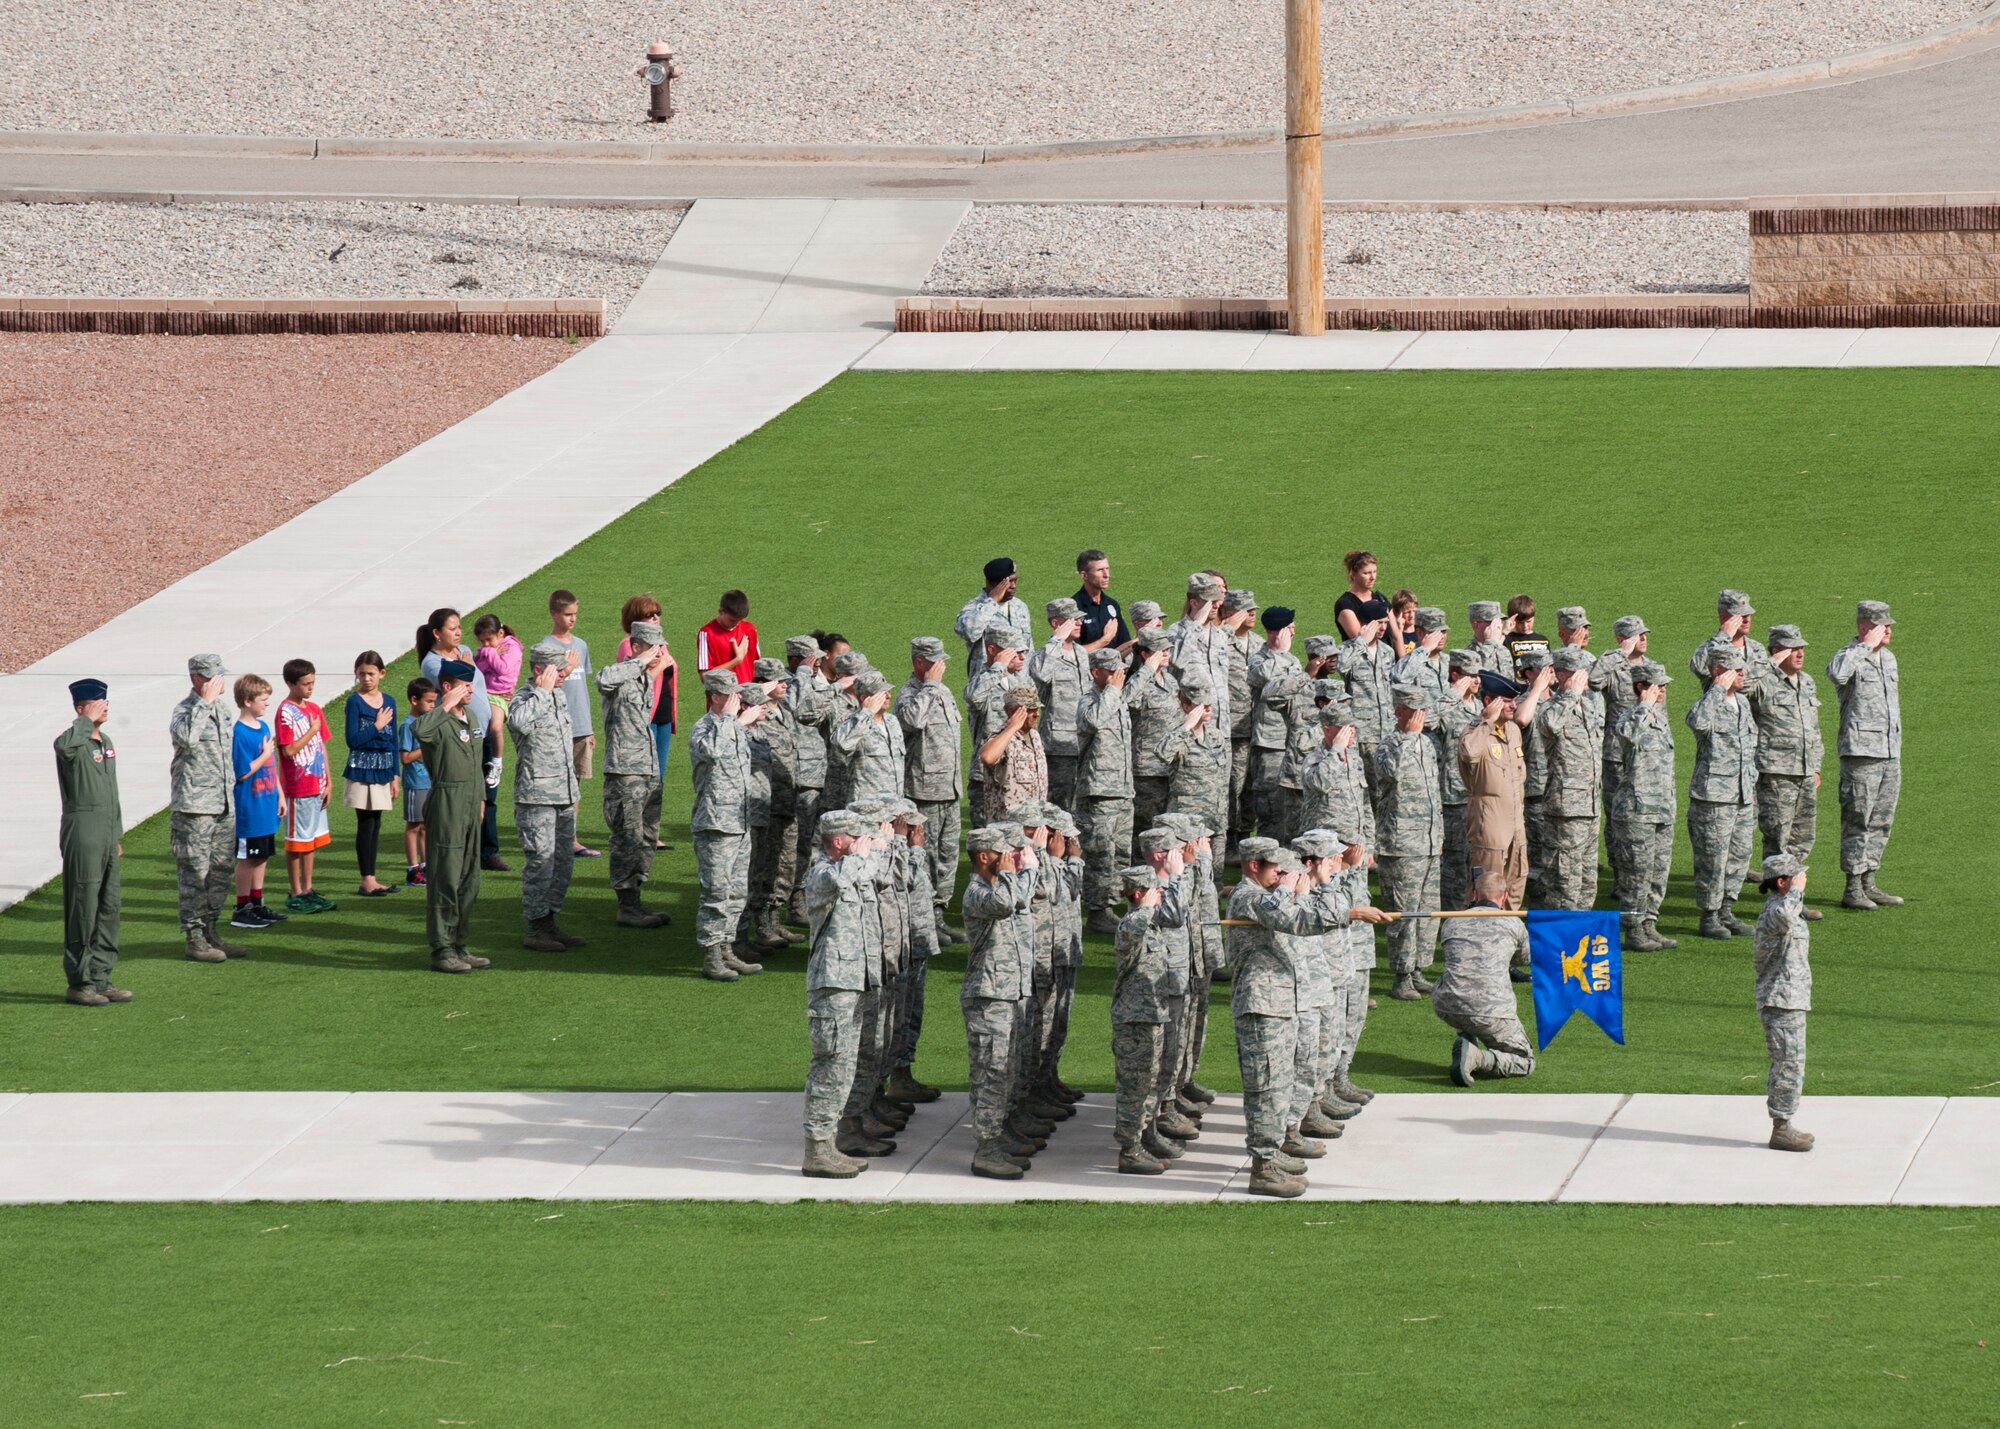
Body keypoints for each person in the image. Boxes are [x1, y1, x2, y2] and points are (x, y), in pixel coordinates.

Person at [1228, 842, 1386, 1199]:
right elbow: (1288, 917)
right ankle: (1262, 1166)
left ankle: (1274, 1150)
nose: (1285, 876)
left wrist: (1325, 884)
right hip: (1262, 1004)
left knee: (1282, 1082)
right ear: (1254, 866)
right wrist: (1290, 889)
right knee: (1266, 1086)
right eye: (1278, 870)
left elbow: (1322, 918)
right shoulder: (1247, 897)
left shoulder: (1273, 894)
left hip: (1284, 1000)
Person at [800, 810, 879, 1178]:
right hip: (831, 984)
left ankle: (829, 1143)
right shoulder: (822, 873)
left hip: (852, 979)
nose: (861, 842)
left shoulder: (849, 866)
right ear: (837, 841)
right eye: (854, 837)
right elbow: (842, 880)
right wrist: (861, 856)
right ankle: (816, 1150)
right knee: (829, 1065)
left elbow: (870, 874)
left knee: (844, 1067)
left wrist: (874, 850)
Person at [960, 823, 1039, 1180]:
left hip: (1006, 992)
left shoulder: (999, 886)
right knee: (990, 1073)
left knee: (1005, 1071)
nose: (1008, 858)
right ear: (983, 857)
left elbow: (1019, 899)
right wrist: (1010, 873)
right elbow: (1007, 905)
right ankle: (986, 1149)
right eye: (1001, 853)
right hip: (988, 996)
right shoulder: (978, 892)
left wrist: (1027, 868)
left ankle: (998, 1135)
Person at [689, 669, 768, 982]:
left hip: (739, 821)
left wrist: (739, 722)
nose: (737, 699)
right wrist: (730, 721)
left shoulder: (732, 726)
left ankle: (726, 949)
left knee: (736, 892)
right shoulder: (706, 728)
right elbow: (714, 752)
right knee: (716, 892)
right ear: (715, 696)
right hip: (716, 825)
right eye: (731, 694)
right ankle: (711, 956)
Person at [413, 659, 490, 974]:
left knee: (469, 877)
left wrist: (482, 799)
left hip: (472, 803)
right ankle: (442, 949)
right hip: (447, 801)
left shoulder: (470, 716)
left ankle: (460, 945)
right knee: (445, 876)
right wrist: (444, 706)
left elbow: (477, 761)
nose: (472, 690)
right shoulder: (437, 719)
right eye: (466, 685)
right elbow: (419, 729)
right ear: (448, 686)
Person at [1826, 600, 1903, 912]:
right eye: (1880, 625)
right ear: (1863, 627)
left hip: (1889, 751)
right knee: (1858, 818)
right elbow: (1836, 674)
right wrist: (1863, 647)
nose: (1887, 630)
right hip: (1860, 752)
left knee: (1882, 819)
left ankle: (1870, 879)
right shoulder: (1849, 657)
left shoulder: (1889, 659)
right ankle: (1853, 886)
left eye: (1888, 625)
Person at [56, 678, 129, 1005]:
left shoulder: (106, 741)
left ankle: (101, 977)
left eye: (106, 702)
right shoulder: (73, 740)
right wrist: (85, 722)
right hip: (83, 828)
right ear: (80, 708)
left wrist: (116, 834)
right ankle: (80, 981)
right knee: (83, 906)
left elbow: (113, 794)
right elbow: (64, 747)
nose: (105, 707)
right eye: (97, 703)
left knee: (108, 906)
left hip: (106, 831)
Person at [1110, 863, 1186, 1175]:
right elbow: (1134, 928)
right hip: (1134, 1020)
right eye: (1155, 890)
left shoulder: (1151, 925)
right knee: (1134, 1086)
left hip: (1152, 1016)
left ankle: (1144, 1135)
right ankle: (1129, 1150)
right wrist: (1146, 906)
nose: (1161, 895)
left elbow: (1174, 917)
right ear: (1140, 893)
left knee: (1152, 1082)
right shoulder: (1130, 923)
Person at [600, 619, 676, 930]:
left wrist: (651, 669)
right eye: (652, 646)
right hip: (624, 771)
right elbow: (603, 678)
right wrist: (641, 661)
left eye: (661, 646)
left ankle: (636, 895)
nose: (659, 652)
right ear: (635, 646)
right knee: (627, 838)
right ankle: (626, 904)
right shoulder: (620, 677)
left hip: (647, 769)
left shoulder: (644, 681)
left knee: (647, 836)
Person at [510, 640, 585, 953]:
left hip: (564, 793)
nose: (564, 674)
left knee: (562, 862)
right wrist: (541, 691)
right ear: (540, 670)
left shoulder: (557, 696)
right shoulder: (526, 699)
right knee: (540, 861)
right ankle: (536, 927)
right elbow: (518, 723)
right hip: (537, 796)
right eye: (558, 669)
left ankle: (551, 920)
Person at [417, 608, 504, 870]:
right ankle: (468, 850)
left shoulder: (464, 649)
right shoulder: (431, 662)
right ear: (436, 633)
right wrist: (467, 663)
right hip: (460, 734)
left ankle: (488, 851)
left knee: (488, 793)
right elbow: (455, 680)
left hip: (484, 731)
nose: (458, 633)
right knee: (466, 793)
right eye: (452, 628)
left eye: (459, 627)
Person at [168, 652, 241, 962]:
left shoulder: (223, 709)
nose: (221, 681)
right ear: (198, 679)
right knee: (195, 873)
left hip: (223, 803)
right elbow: (186, 739)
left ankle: (211, 930)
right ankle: (194, 937)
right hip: (195, 807)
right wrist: (203, 703)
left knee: (221, 871)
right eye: (213, 677)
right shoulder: (186, 710)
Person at [1748, 624, 1824, 920]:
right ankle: (1779, 903)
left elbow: (1813, 730)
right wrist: (1770, 663)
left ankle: (1795, 896)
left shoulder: (1807, 681)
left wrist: (1815, 766)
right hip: (1776, 773)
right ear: (1777, 652)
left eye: (1802, 648)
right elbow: (1742, 685)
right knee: (1778, 839)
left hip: (1804, 772)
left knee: (1802, 837)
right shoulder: (1764, 681)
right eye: (1793, 649)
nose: (1800, 653)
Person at [1459, 666, 1549, 912]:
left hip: (1515, 823)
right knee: (1487, 885)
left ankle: (1509, 934)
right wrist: (1486, 721)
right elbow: (1469, 754)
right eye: (1507, 701)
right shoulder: (1474, 731)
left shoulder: (1512, 730)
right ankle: (1480, 937)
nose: (1513, 706)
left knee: (1517, 879)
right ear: (1489, 701)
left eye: (1514, 701)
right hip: (1490, 822)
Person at [1374, 685, 1444, 1000]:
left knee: (1427, 911)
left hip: (1428, 841)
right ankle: (1401, 975)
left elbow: (1434, 792)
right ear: (1398, 712)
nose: (1420, 717)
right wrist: (1411, 737)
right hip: (1401, 843)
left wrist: (1438, 835)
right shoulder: (1389, 744)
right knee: (1403, 913)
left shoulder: (1427, 744)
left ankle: (1418, 969)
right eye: (1414, 712)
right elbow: (1396, 774)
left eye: (1423, 711)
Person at [1686, 645, 1759, 940]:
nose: (1743, 675)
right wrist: (1717, 690)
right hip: (1714, 796)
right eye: (1736, 670)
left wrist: (1751, 787)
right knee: (1713, 860)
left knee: (1739, 856)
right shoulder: (1710, 703)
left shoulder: (1743, 703)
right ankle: (1709, 915)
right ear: (1719, 672)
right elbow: (1697, 722)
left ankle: (1727, 909)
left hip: (1741, 795)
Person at [1439, 870, 1535, 1086]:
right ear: (1504, 896)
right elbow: (1525, 959)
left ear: (1475, 894)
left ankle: (1468, 1040)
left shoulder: (1452, 922)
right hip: (1491, 1010)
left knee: (1461, 980)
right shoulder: (1513, 923)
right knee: (1525, 1062)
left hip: (1447, 1003)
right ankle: (1479, 1058)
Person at [896, 636, 963, 947]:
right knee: (928, 858)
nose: (942, 667)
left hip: (948, 789)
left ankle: (938, 915)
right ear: (920, 663)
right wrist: (931, 686)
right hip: (924, 791)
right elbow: (912, 721)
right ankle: (923, 919)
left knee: (947, 858)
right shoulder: (911, 694)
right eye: (935, 662)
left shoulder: (942, 691)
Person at [1609, 661, 1678, 950]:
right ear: (1641, 687)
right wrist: (1644, 706)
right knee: (1636, 874)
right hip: (1636, 811)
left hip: (1662, 808)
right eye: (1656, 685)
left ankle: (1649, 924)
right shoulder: (1631, 716)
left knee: (1657, 873)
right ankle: (1633, 930)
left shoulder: (1660, 719)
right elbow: (1626, 734)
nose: (1662, 689)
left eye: (1663, 685)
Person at [1753, 853, 1816, 1152]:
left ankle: (1785, 1124)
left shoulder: (1784, 906)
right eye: (1795, 877)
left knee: (1792, 1064)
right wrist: (1796, 892)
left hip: (1791, 998)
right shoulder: (1777, 910)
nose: (1802, 880)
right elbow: (1787, 916)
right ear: (1781, 883)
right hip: (1781, 999)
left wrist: (1797, 895)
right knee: (1787, 1065)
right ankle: (1781, 1128)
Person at [1536, 645, 1605, 911]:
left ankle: (1581, 940)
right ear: (1562, 674)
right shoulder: (1552, 706)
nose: (1587, 678)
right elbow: (1549, 725)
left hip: (1589, 806)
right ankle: (1562, 946)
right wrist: (1570, 694)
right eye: (1580, 673)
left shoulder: (1589, 706)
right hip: (1566, 810)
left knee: (1588, 882)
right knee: (1564, 882)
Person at [1075, 647, 1135, 935]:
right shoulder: (1089, 700)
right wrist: (1112, 690)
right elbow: (1095, 721)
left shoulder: (1117, 698)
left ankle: (1115, 905)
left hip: (1123, 788)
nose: (1117, 676)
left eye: (1119, 670)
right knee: (1101, 853)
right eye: (1111, 671)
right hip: (1098, 790)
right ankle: (1098, 911)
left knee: (1121, 852)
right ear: (1095, 672)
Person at [744, 657, 801, 953]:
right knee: (762, 865)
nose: (785, 684)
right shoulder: (754, 715)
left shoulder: (784, 710)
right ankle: (760, 924)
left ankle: (775, 917)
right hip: (763, 806)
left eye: (785, 679)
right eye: (778, 681)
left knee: (784, 863)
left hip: (786, 801)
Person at [782, 635, 838, 926]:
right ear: (795, 660)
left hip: (818, 773)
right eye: (810, 659)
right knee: (795, 844)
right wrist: (803, 674)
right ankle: (792, 901)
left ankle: (801, 895)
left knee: (813, 842)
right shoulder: (785, 683)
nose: (818, 663)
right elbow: (796, 709)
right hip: (795, 776)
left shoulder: (817, 681)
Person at [1591, 614, 1651, 873]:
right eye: (1638, 635)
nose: (1644, 638)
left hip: (1646, 753)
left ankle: (1640, 867)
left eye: (1644, 633)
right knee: (1617, 812)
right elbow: (1594, 680)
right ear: (1623, 639)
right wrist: (1618, 654)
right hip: (1617, 753)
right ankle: (1619, 870)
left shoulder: (1652, 668)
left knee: (1644, 811)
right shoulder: (1613, 666)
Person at [275, 658, 335, 914]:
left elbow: (322, 747)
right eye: (305, 684)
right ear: (290, 683)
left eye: (312, 682)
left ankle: (308, 889)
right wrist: (311, 731)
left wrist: (329, 781)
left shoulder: (314, 708)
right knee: (296, 841)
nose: (310, 688)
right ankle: (295, 891)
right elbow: (288, 750)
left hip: (317, 785)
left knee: (311, 840)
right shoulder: (285, 712)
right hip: (298, 789)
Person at [617, 594, 679, 836]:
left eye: (657, 613)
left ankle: (651, 831)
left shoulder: (661, 645)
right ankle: (636, 829)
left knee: (658, 778)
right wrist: (660, 665)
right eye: (649, 615)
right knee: (643, 777)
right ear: (635, 619)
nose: (656, 618)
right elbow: (631, 683)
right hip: (643, 719)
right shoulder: (629, 645)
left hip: (662, 718)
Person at [228, 674, 285, 929]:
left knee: (261, 857)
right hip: (249, 808)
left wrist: (280, 795)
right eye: (263, 699)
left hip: (266, 804)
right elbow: (242, 771)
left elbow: (271, 766)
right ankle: (242, 908)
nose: (267, 704)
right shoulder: (240, 733)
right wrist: (264, 755)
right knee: (247, 858)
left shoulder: (262, 728)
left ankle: (257, 902)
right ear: (248, 701)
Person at [546, 589, 598, 862]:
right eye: (567, 614)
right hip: (557, 727)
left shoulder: (581, 644)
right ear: (554, 614)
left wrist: (589, 727)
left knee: (575, 785)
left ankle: (571, 838)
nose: (572, 619)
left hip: (580, 726)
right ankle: (556, 838)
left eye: (575, 614)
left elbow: (582, 689)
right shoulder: (547, 648)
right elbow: (547, 688)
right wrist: (565, 669)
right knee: (559, 783)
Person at [343, 651, 401, 898]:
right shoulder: (354, 702)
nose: (366, 678)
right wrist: (376, 726)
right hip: (362, 770)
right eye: (362, 674)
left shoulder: (389, 701)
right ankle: (366, 880)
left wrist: (395, 775)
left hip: (383, 769)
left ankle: (372, 878)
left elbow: (394, 740)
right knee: (366, 824)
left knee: (376, 824)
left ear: (381, 674)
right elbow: (352, 740)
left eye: (371, 673)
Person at [963, 625, 1032, 827]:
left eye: (1023, 652)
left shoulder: (1020, 682)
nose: (1021, 656)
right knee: (988, 839)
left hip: (1018, 772)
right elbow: (974, 697)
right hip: (988, 774)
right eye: (1014, 651)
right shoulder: (982, 680)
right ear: (993, 650)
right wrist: (997, 668)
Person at [1247, 605, 1304, 842]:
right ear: (1277, 632)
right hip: (1270, 743)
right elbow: (1266, 682)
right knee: (1269, 805)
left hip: (1293, 742)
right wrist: (1279, 654)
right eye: (1289, 628)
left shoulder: (1292, 660)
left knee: (1291, 804)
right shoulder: (1259, 660)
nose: (1294, 632)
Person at [1434, 649, 1482, 914]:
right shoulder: (1445, 704)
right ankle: (1451, 909)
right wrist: (1453, 693)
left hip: (1478, 792)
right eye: (1470, 675)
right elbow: (1430, 719)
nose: (1476, 680)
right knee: (1454, 857)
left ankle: (1472, 904)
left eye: (1478, 675)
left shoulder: (1481, 707)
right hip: (1453, 794)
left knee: (1475, 855)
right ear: (1455, 675)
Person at [1030, 597, 1089, 810]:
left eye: (1080, 619)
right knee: (1059, 805)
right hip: (1059, 744)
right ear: (1056, 624)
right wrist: (1056, 641)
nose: (1079, 623)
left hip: (1082, 740)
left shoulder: (1081, 653)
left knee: (1079, 804)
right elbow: (1041, 674)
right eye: (1073, 620)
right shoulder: (1045, 654)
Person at [1336, 612, 1396, 815]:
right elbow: (1342, 667)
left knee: (1385, 790)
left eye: (1386, 623)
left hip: (1386, 731)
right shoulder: (1348, 649)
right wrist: (1361, 641)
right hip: (1362, 733)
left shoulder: (1387, 651)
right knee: (1365, 792)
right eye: (1378, 623)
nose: (1383, 628)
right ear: (1365, 624)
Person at [1159, 672, 1229, 841]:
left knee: (1215, 868)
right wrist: (1186, 727)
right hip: (1187, 820)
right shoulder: (1177, 734)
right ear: (1186, 706)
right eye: (1202, 705)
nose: (1208, 708)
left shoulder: (1215, 735)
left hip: (1215, 817)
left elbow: (1222, 778)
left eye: (1209, 704)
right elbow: (1162, 753)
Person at [1125, 628, 1179, 835]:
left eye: (1167, 649)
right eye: (1160, 650)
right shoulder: (1139, 681)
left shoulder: (1171, 681)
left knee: (1166, 825)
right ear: (1145, 654)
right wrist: (1147, 670)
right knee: (1145, 825)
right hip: (1147, 767)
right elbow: (1126, 702)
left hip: (1169, 764)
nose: (1166, 653)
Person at [830, 670, 906, 805]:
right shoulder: (854, 723)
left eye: (887, 691)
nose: (888, 696)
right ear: (865, 698)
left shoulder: (892, 721)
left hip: (894, 805)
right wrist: (866, 713)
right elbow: (841, 745)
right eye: (881, 693)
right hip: (866, 808)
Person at [1222, 588, 1259, 853]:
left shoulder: (1258, 644)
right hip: (1231, 728)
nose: (1252, 613)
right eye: (1246, 609)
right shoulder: (1220, 643)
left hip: (1257, 728)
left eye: (1253, 608)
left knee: (1251, 785)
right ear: (1229, 614)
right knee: (1232, 785)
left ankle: (1246, 832)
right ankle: (1230, 838)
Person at [955, 557, 1032, 684]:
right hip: (989, 687)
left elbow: (1028, 648)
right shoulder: (974, 609)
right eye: (1008, 582)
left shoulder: (1020, 606)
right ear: (991, 583)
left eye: (1015, 581)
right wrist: (992, 601)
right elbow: (969, 632)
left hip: (1019, 686)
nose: (1013, 586)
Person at [979, 683, 1048, 821]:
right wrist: (1012, 727)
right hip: (1007, 828)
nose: (1037, 714)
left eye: (1037, 708)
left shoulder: (1035, 736)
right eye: (1031, 709)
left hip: (1034, 824)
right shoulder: (1002, 738)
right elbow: (987, 757)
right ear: (1012, 711)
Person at [1690, 588, 1772, 690]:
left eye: (1748, 615)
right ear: (1723, 616)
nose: (1746, 620)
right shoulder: (1709, 648)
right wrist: (1724, 636)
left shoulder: (1757, 647)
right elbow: (1698, 668)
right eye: (1741, 615)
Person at [1335, 550, 1405, 656]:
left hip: (1389, 664)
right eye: (1366, 573)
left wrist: (1403, 665)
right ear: (1353, 574)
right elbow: (1360, 641)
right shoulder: (1345, 604)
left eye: (1374, 572)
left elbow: (1396, 636)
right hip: (1364, 666)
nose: (1373, 577)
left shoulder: (1380, 598)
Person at [399, 678, 434, 885]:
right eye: (429, 702)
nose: (432, 706)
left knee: (426, 825)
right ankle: (413, 869)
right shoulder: (407, 726)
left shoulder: (426, 722)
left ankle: (426, 864)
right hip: (415, 782)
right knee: (414, 825)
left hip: (429, 781)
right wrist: (427, 747)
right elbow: (405, 758)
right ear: (414, 700)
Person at [696, 588, 759, 682]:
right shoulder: (706, 634)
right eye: (733, 620)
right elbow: (705, 677)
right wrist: (737, 660)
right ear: (721, 611)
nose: (737, 623)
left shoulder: (749, 629)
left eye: (740, 620)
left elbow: (758, 665)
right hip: (724, 696)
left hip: (750, 695)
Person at [1073, 549, 1123, 652]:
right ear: (1084, 575)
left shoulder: (1112, 605)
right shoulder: (1073, 608)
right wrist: (1104, 640)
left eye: (1107, 569)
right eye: (1100, 570)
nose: (1106, 575)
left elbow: (1122, 645)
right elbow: (1072, 655)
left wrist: (1139, 638)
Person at [1462, 600, 1516, 680]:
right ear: (1476, 624)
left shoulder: (1503, 650)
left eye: (1500, 621)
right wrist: (1490, 643)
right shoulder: (1467, 654)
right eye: (1493, 622)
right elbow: (1476, 672)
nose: (1498, 625)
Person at [1503, 595, 1549, 669]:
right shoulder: (1507, 639)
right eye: (1520, 622)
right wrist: (1504, 631)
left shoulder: (1543, 640)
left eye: (1528, 621)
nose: (1525, 626)